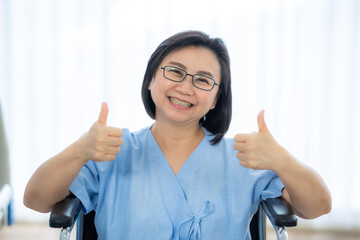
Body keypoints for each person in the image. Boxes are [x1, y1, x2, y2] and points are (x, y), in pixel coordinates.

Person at [24, 30, 331, 239]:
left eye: (203, 80)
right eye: (175, 71)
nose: (185, 87)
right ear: (151, 79)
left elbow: (317, 206)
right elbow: (35, 199)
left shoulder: (244, 159)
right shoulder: (110, 151)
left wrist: (282, 161)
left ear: (216, 99)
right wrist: (79, 151)